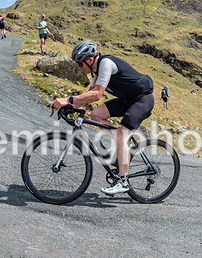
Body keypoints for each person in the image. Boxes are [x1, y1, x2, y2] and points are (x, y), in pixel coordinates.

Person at [50, 40, 154, 195]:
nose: (79, 67)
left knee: (121, 134)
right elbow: (86, 96)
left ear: (90, 60)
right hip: (127, 100)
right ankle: (122, 147)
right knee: (96, 115)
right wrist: (69, 107)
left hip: (142, 99)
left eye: (80, 64)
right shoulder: (96, 72)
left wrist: (68, 100)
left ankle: (123, 182)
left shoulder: (106, 64)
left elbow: (97, 94)